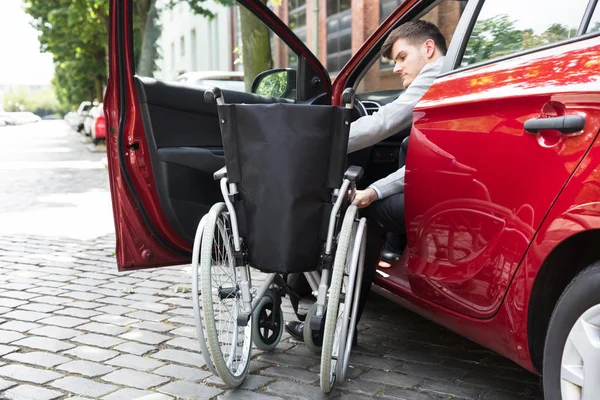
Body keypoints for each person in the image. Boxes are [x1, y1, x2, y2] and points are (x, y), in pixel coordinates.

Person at [284, 19, 447, 342]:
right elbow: (424, 159)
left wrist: (319, 141)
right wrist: (375, 190)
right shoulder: (450, 75)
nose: (398, 68)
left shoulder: (437, 75)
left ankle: (339, 331)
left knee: (367, 214)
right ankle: (393, 247)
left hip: (448, 191)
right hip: (452, 181)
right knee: (404, 147)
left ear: (428, 49)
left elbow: (383, 122)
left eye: (401, 57)